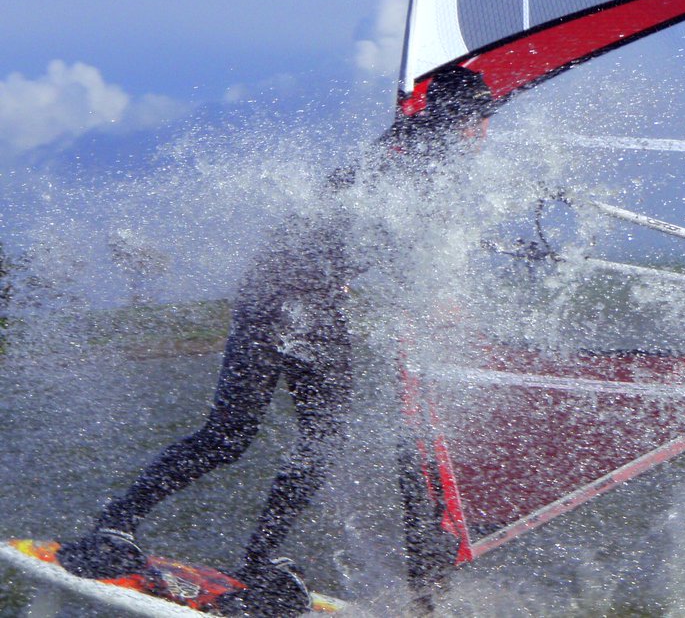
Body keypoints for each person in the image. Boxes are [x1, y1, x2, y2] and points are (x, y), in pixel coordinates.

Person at [58, 65, 496, 617]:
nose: (485, 133)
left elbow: (400, 248)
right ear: (457, 120)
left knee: (321, 444)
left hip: (323, 307)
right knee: (229, 436)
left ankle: (257, 566)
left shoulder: (423, 159)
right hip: (274, 296)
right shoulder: (401, 161)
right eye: (480, 120)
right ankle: (116, 523)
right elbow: (382, 235)